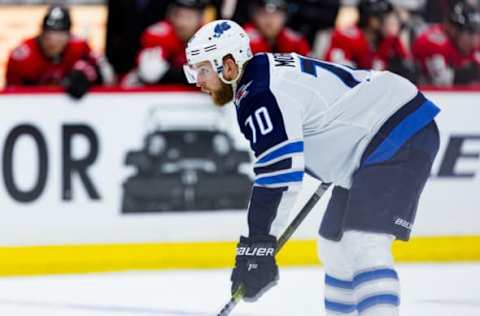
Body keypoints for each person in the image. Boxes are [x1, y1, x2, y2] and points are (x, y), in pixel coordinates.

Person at [183, 20, 440, 315]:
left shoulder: (260, 94)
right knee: (334, 247)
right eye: (192, 70)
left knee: (363, 244)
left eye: (202, 69)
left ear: (228, 66)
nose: (197, 80)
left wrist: (257, 245)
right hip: (372, 139)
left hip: (398, 131)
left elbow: (279, 176)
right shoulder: (257, 78)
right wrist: (257, 245)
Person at [6, 4, 113, 99]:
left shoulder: (80, 48)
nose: (53, 41)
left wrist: (86, 75)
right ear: (41, 33)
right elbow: (11, 94)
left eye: (60, 36)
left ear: (68, 36)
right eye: (49, 35)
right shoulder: (22, 56)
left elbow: (108, 78)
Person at [324, 0, 418, 82]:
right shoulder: (346, 38)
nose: (392, 22)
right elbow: (340, 78)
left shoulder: (390, 40)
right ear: (372, 20)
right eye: (386, 18)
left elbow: (408, 72)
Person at [121, 0, 206, 86]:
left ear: (200, 19)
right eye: (178, 15)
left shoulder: (207, 37)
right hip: (146, 91)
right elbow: (150, 72)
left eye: (189, 17)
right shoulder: (160, 34)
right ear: (169, 16)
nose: (182, 23)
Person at [412, 1, 480, 86]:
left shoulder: (470, 45)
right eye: (469, 33)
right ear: (453, 29)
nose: (474, 40)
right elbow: (441, 80)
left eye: (476, 33)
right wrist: (470, 74)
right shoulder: (435, 42)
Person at [243, 0, 310, 56]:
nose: (269, 20)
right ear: (254, 14)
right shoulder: (243, 38)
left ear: (285, 17)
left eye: (276, 15)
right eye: (263, 14)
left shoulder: (296, 41)